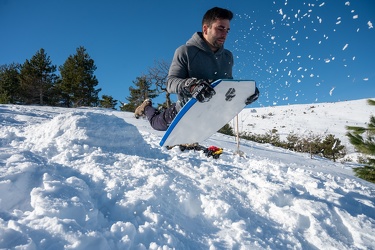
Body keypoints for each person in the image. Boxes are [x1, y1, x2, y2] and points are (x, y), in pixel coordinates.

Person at [135, 7, 259, 131]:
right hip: (185, 110)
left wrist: (245, 94)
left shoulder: (227, 56)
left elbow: (227, 84)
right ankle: (146, 107)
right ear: (205, 29)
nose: (224, 34)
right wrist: (192, 85)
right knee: (157, 123)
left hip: (211, 112)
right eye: (220, 28)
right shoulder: (185, 51)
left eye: (227, 30)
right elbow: (170, 83)